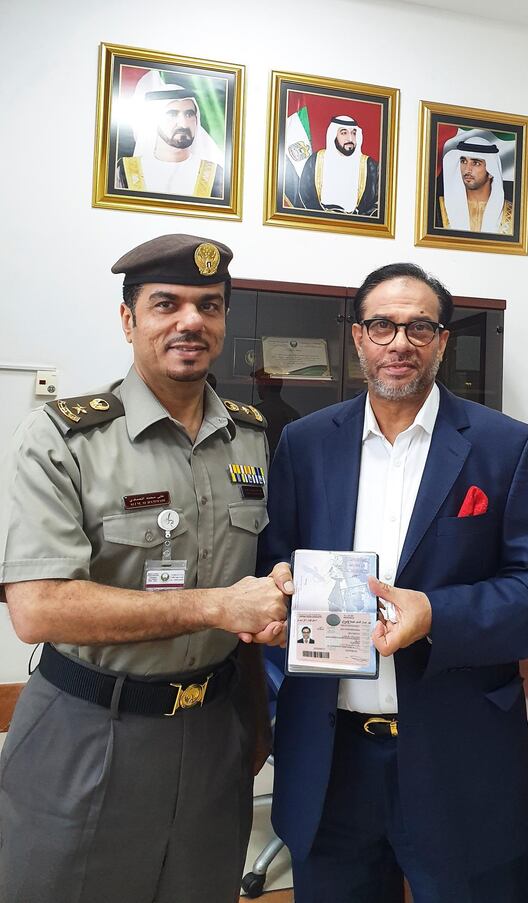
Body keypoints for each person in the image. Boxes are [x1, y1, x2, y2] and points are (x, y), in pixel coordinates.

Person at [256, 262, 528, 902]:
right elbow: (274, 570)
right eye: (382, 326)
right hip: (332, 761)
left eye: (419, 327)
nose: (400, 342)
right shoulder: (305, 443)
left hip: (459, 760)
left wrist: (435, 614)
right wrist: (278, 632)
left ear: (443, 340)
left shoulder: (505, 447)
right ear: (358, 337)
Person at [0, 234, 287, 903]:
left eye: (209, 306)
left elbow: (251, 587)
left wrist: (255, 716)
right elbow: (38, 607)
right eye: (167, 304)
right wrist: (214, 606)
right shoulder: (64, 436)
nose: (191, 321)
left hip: (214, 727)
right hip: (90, 724)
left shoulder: (249, 436)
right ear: (129, 319)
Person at [115, 80, 224, 198]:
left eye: (189, 114)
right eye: (172, 114)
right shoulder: (125, 171)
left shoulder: (215, 175)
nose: (183, 124)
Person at [297, 114, 379, 216]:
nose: (350, 139)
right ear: (333, 135)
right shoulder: (317, 160)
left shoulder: (369, 166)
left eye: (353, 133)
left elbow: (377, 202)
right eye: (344, 133)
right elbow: (306, 193)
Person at [437, 136, 513, 234]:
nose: (467, 169)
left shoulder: (512, 214)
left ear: (491, 171)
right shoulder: (440, 210)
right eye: (463, 161)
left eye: (476, 163)